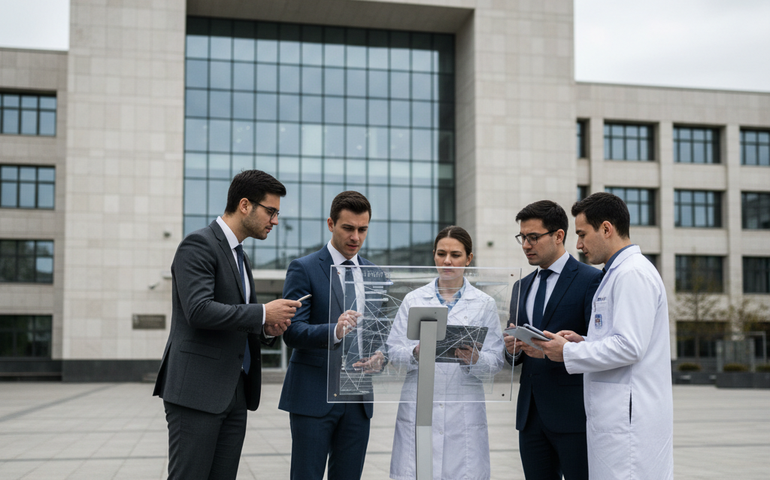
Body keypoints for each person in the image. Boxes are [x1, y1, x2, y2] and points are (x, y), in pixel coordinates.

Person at [153, 170, 301, 480]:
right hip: (196, 392)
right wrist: (262, 313)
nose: (275, 220)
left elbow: (236, 316)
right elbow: (199, 310)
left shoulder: (240, 256)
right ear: (245, 205)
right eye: (271, 211)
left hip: (234, 392)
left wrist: (265, 328)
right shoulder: (197, 245)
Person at [534, 192, 674, 480]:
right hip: (615, 419)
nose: (579, 244)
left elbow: (630, 347)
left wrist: (568, 353)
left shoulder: (632, 274)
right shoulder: (615, 273)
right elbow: (621, 339)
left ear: (607, 229)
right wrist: (583, 343)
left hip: (628, 424)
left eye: (583, 234)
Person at [279, 190, 384, 480]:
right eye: (348, 228)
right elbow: (293, 331)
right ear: (330, 224)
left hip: (358, 397)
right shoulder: (304, 268)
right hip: (314, 395)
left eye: (362, 229)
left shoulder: (375, 274)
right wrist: (335, 331)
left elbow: (379, 332)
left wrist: (381, 355)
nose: (356, 237)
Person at [387, 226, 504, 480]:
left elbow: (496, 360)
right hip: (420, 403)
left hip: (463, 410)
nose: (447, 261)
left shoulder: (484, 304)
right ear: (434, 255)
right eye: (441, 254)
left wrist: (476, 360)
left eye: (456, 254)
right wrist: (417, 353)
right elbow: (393, 350)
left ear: (469, 258)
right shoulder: (414, 299)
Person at [503, 200, 601, 480]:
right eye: (522, 237)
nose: (525, 245)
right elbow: (513, 357)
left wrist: (572, 345)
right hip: (530, 416)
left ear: (559, 236)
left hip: (573, 416)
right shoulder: (520, 286)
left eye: (533, 237)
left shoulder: (590, 279)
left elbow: (599, 343)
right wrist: (511, 351)